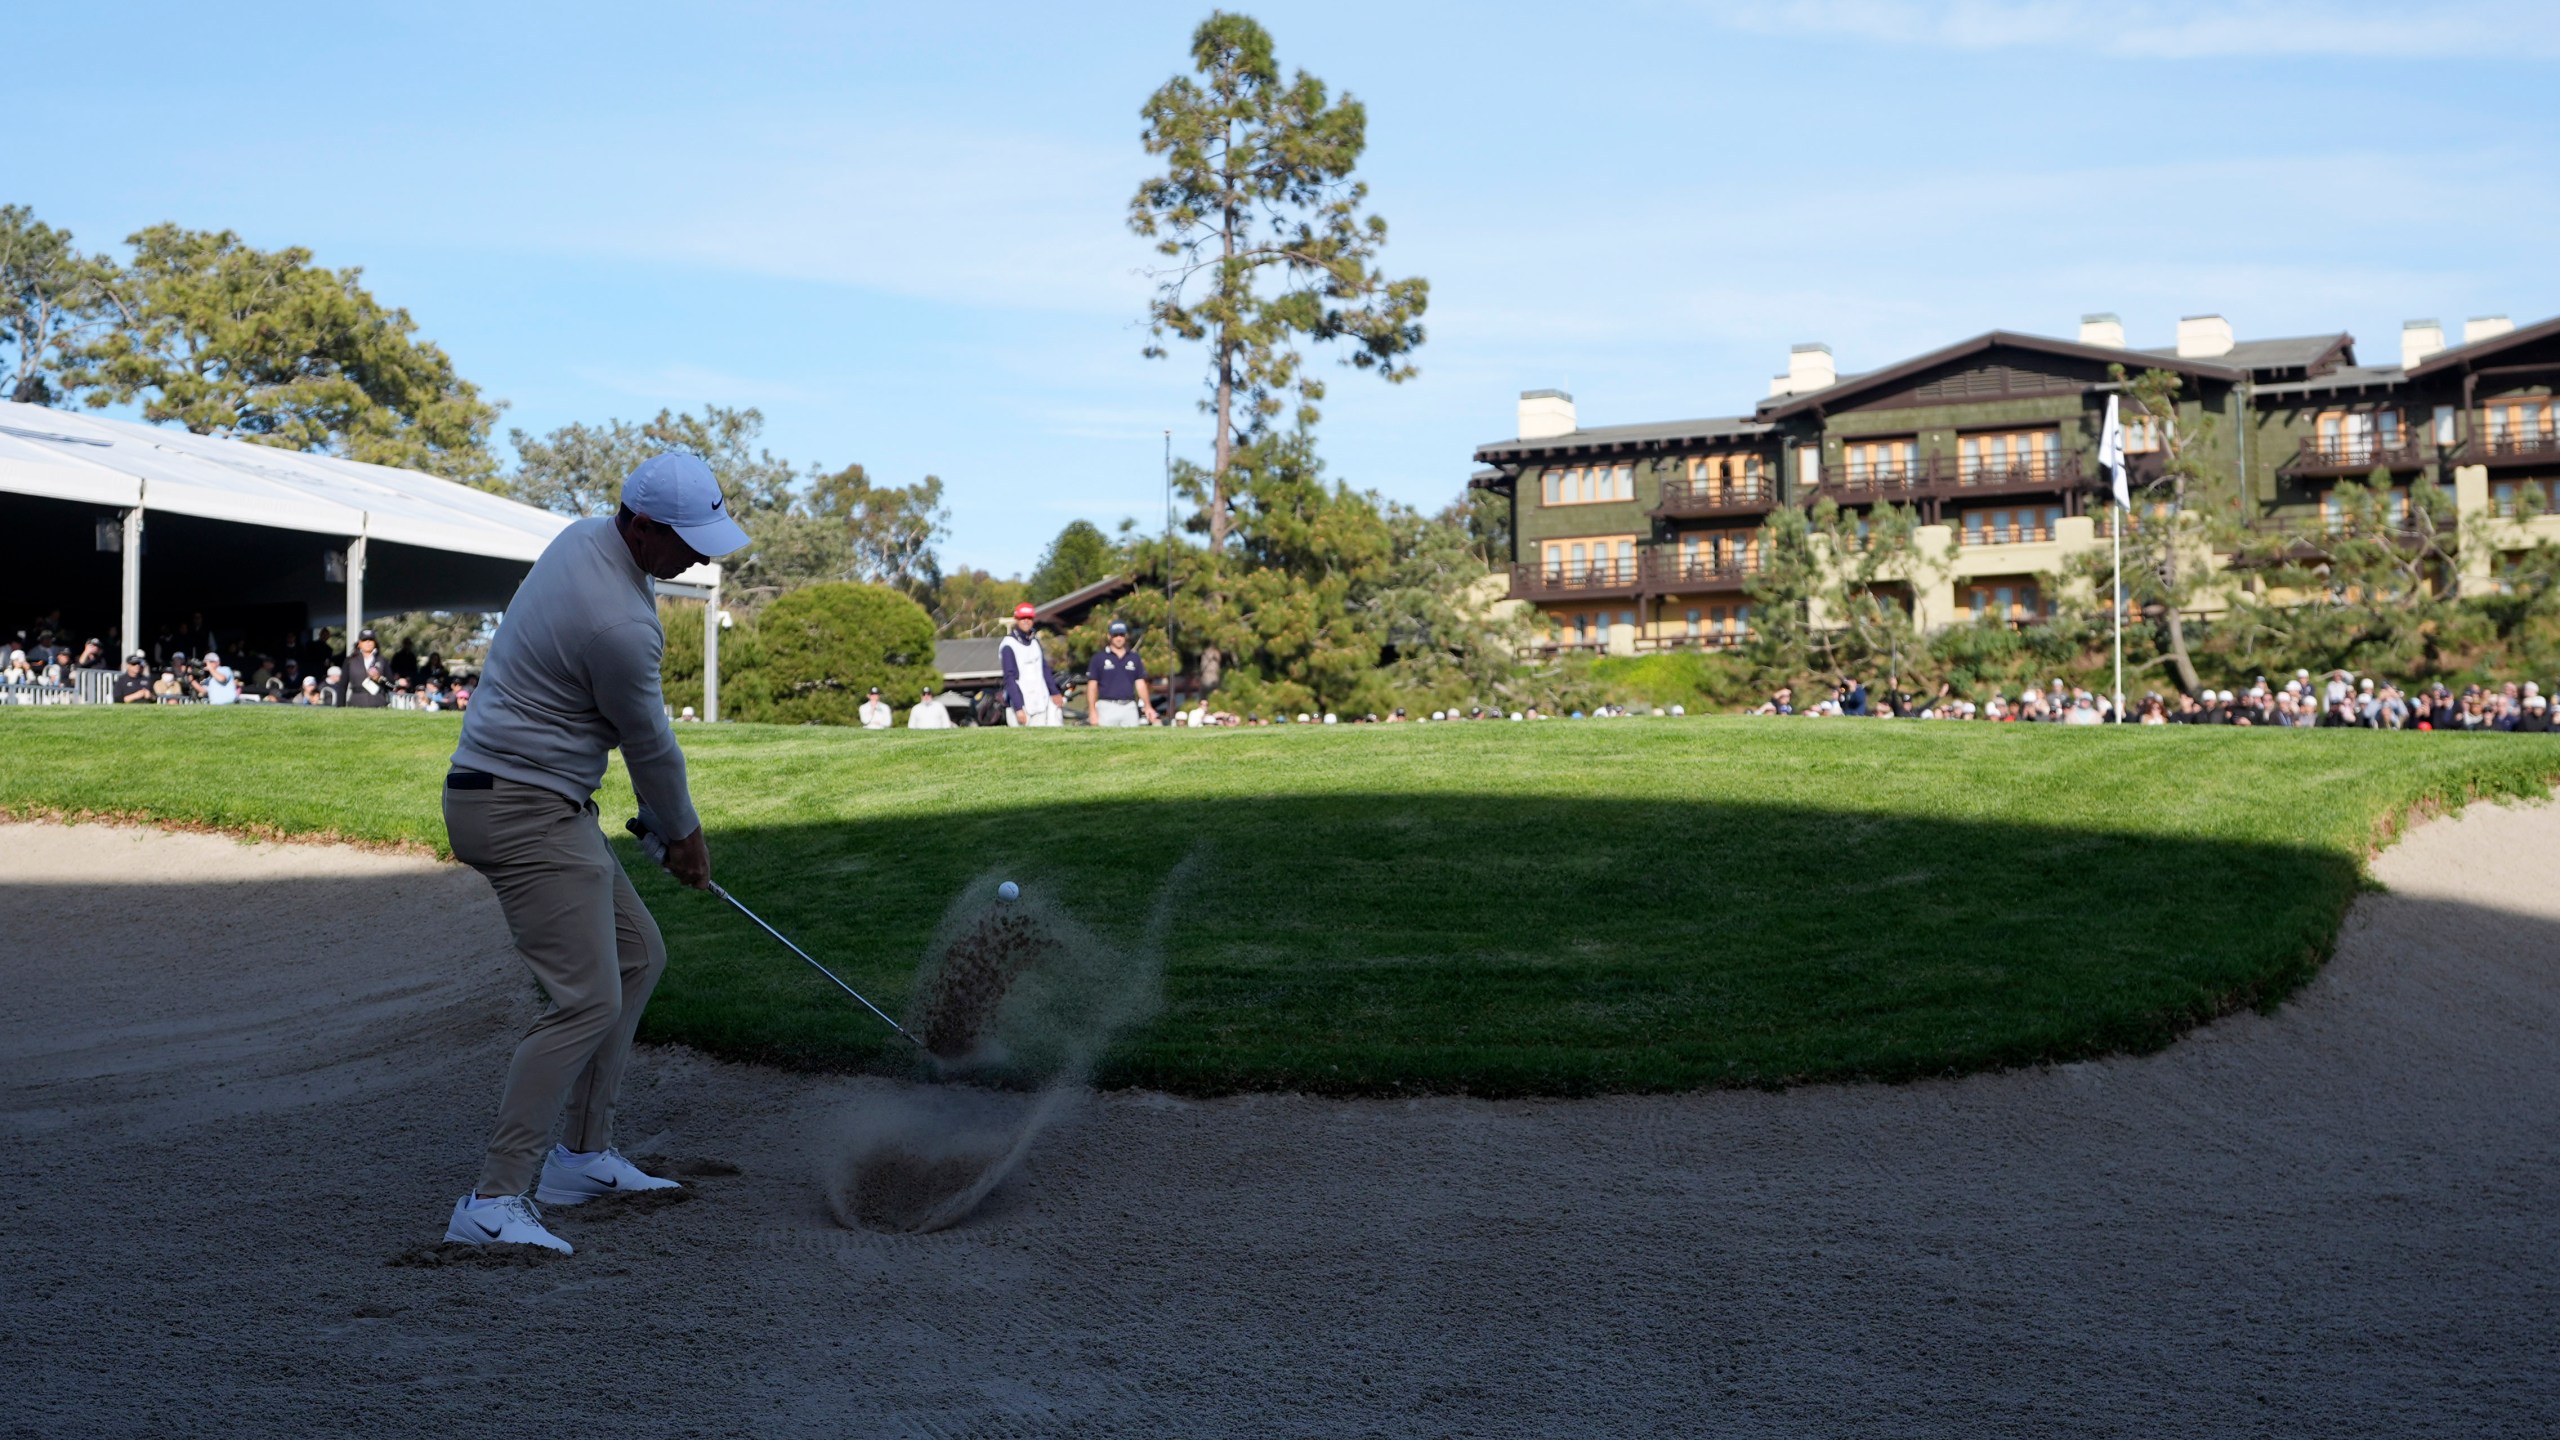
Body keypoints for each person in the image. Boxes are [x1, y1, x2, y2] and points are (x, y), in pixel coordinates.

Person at [438, 452, 748, 1255]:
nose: (703, 558)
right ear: (642, 525)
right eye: (690, 540)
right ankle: (494, 1200)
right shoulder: (620, 621)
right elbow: (651, 745)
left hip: (536, 798)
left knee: (638, 954)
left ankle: (579, 1157)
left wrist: (657, 822)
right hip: (521, 808)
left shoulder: (584, 540)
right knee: (584, 1000)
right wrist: (683, 835)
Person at [999, 602, 1064, 727]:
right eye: (1023, 618)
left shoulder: (1034, 641)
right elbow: (1010, 678)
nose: (1026, 621)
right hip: (1021, 705)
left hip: (1040, 701)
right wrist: (1018, 708)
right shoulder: (1008, 644)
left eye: (1029, 618)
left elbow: (1044, 669)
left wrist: (1054, 692)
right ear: (1016, 619)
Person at [1085, 620, 1156, 727]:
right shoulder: (1099, 658)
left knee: (1132, 741)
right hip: (1107, 706)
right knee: (1106, 740)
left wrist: (1147, 706)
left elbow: (1140, 684)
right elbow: (1092, 686)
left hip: (1129, 707)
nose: (1119, 638)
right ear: (1109, 636)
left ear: (1126, 636)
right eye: (1115, 635)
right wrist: (1092, 710)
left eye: (1122, 635)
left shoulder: (1134, 657)